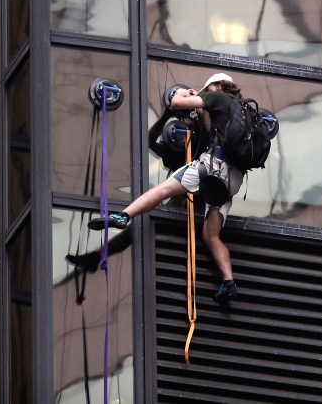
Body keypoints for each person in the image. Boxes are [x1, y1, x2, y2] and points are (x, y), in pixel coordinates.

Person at [87, 73, 245, 304]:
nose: (206, 91)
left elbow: (176, 103)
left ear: (219, 85)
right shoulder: (244, 111)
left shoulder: (218, 97)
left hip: (213, 167)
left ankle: (123, 216)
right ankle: (228, 283)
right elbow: (213, 132)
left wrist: (187, 94)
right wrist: (203, 112)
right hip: (234, 180)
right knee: (211, 234)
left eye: (208, 87)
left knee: (163, 190)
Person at [65, 97, 206, 272]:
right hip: (185, 205)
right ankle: (95, 257)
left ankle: (95, 257)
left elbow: (152, 141)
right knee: (138, 226)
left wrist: (180, 114)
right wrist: (169, 114)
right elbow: (148, 141)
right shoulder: (176, 153)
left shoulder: (196, 151)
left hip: (194, 206)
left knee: (141, 225)